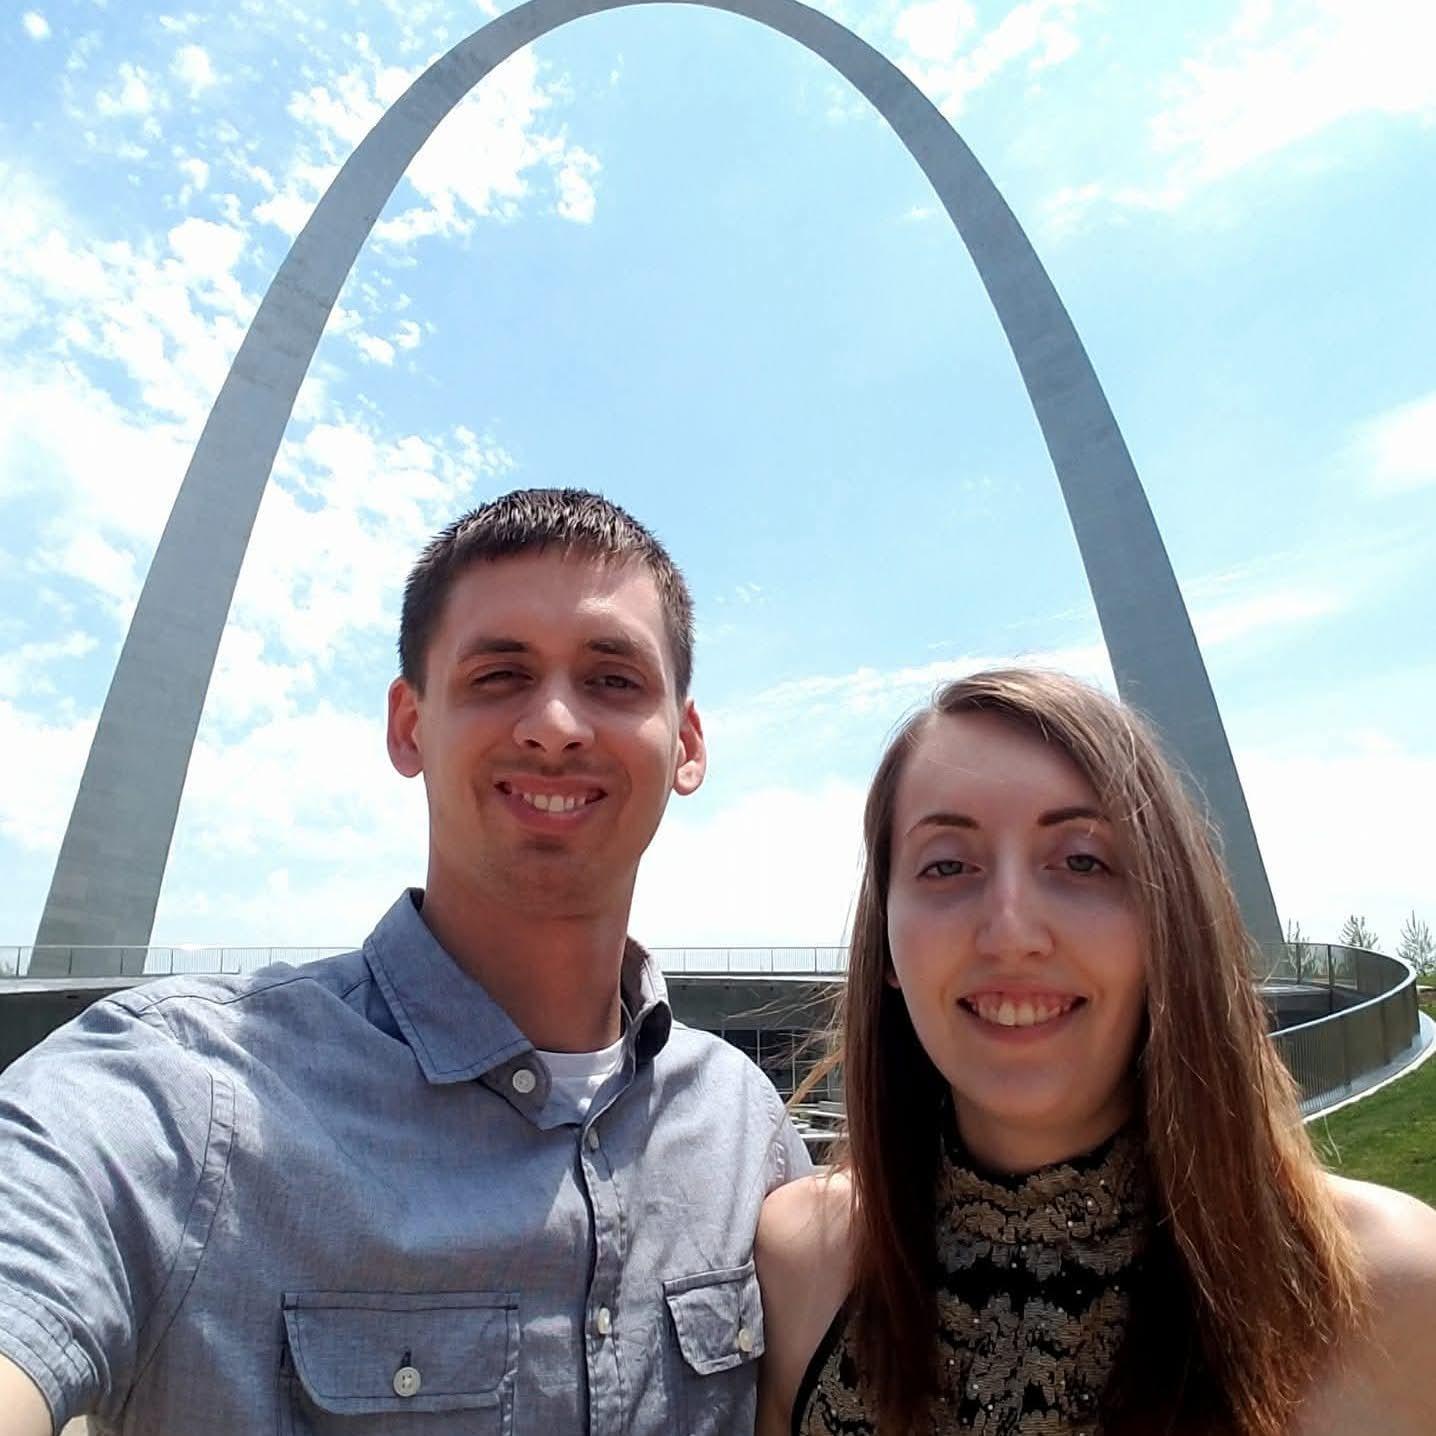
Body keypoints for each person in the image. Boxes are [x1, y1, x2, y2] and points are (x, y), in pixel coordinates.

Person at [0, 488, 810, 1436]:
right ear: (407, 725)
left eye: (615, 680)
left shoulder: (746, 1131)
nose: (555, 724)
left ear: (688, 743)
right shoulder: (177, 1097)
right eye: (499, 675)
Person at [756, 668, 1436, 1436]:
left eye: (1083, 861)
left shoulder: (1393, 1294)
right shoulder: (799, 1267)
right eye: (947, 865)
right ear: (884, 941)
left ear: (1166, 919)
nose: (1011, 932)